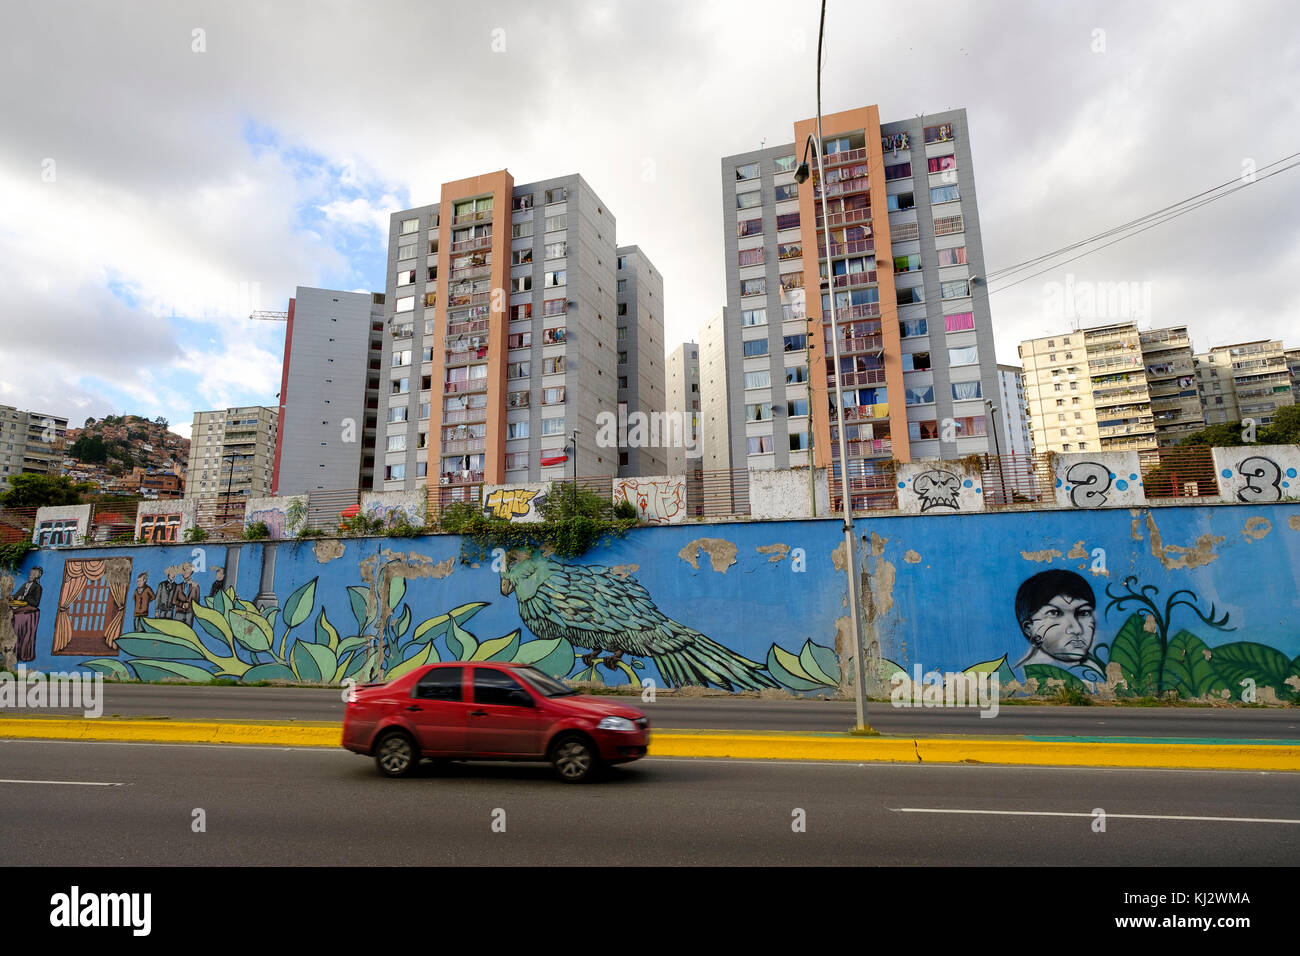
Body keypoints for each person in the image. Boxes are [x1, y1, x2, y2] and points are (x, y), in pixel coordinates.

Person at [1013, 570, 1097, 669]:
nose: (1077, 629)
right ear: (1029, 628)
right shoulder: (1018, 679)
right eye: (1054, 613)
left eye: (1083, 613)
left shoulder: (1107, 673)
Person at [8, 567, 43, 663]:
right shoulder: (25, 585)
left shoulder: (38, 587)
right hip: (20, 607)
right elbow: (17, 595)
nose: (29, 575)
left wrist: (23, 598)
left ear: (36, 576)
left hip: (29, 610)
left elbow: (35, 602)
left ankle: (21, 653)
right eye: (30, 573)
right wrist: (12, 597)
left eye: (32, 574)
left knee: (18, 622)